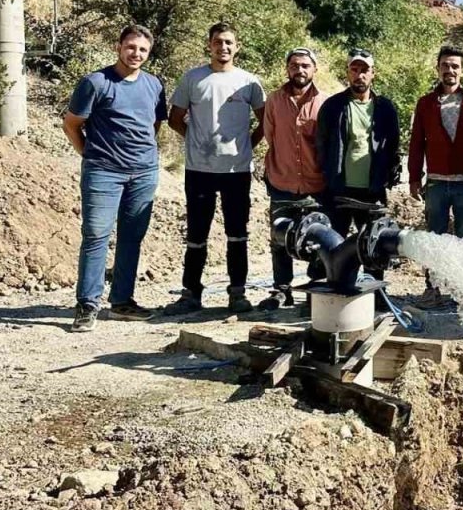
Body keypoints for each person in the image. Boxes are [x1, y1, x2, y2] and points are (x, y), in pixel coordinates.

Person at [62, 25, 168, 332]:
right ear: (118, 47)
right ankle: (87, 304)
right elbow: (71, 125)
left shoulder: (153, 85)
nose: (136, 54)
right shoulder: (95, 82)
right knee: (96, 235)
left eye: (143, 50)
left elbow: (153, 125)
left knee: (132, 236)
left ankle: (122, 301)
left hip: (144, 172)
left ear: (149, 53)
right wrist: (92, 156)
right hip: (103, 172)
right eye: (131, 47)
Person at [165, 22, 267, 315]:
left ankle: (237, 293)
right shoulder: (193, 78)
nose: (223, 47)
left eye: (229, 43)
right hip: (199, 169)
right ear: (209, 45)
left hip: (237, 170)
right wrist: (196, 141)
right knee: (196, 234)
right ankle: (190, 294)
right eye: (218, 42)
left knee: (238, 233)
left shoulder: (249, 82)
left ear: (237, 47)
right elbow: (176, 118)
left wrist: (247, 143)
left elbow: (265, 121)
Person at [407, 45, 463, 299]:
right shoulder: (425, 104)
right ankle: (434, 287)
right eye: (445, 65)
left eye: (455, 66)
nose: (449, 70)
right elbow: (417, 142)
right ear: (438, 68)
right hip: (436, 184)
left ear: (462, 71)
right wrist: (413, 176)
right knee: (435, 238)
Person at [258, 47, 327, 310]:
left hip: (315, 184)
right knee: (279, 238)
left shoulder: (324, 102)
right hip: (282, 180)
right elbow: (270, 136)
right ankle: (281, 290)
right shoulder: (274, 100)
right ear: (287, 68)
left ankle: (315, 290)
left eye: (305, 65)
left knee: (318, 239)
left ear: (314, 69)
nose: (300, 70)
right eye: (295, 65)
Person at [316, 49, 400, 244]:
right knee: (333, 247)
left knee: (374, 249)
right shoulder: (332, 106)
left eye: (365, 70)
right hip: (339, 190)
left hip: (373, 191)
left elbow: (393, 145)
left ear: (373, 73)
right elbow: (321, 144)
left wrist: (387, 176)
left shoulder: (385, 108)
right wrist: (328, 175)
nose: (359, 75)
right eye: (354, 69)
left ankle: (374, 277)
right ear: (347, 72)